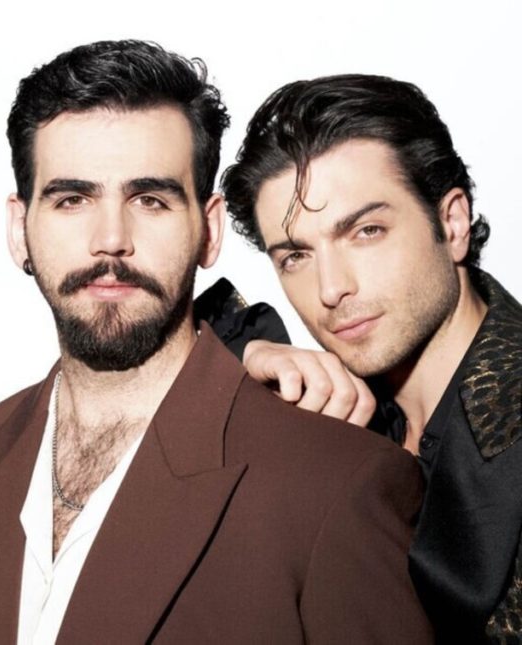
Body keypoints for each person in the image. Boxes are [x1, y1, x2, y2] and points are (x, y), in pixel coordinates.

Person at [0, 40, 431, 643]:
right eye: (72, 199)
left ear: (209, 231)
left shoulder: (337, 484)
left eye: (150, 200)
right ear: (19, 230)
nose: (111, 239)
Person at [221, 73, 522, 642]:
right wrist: (242, 356)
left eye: (366, 231)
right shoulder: (340, 412)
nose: (331, 288)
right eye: (295, 257)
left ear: (452, 223)